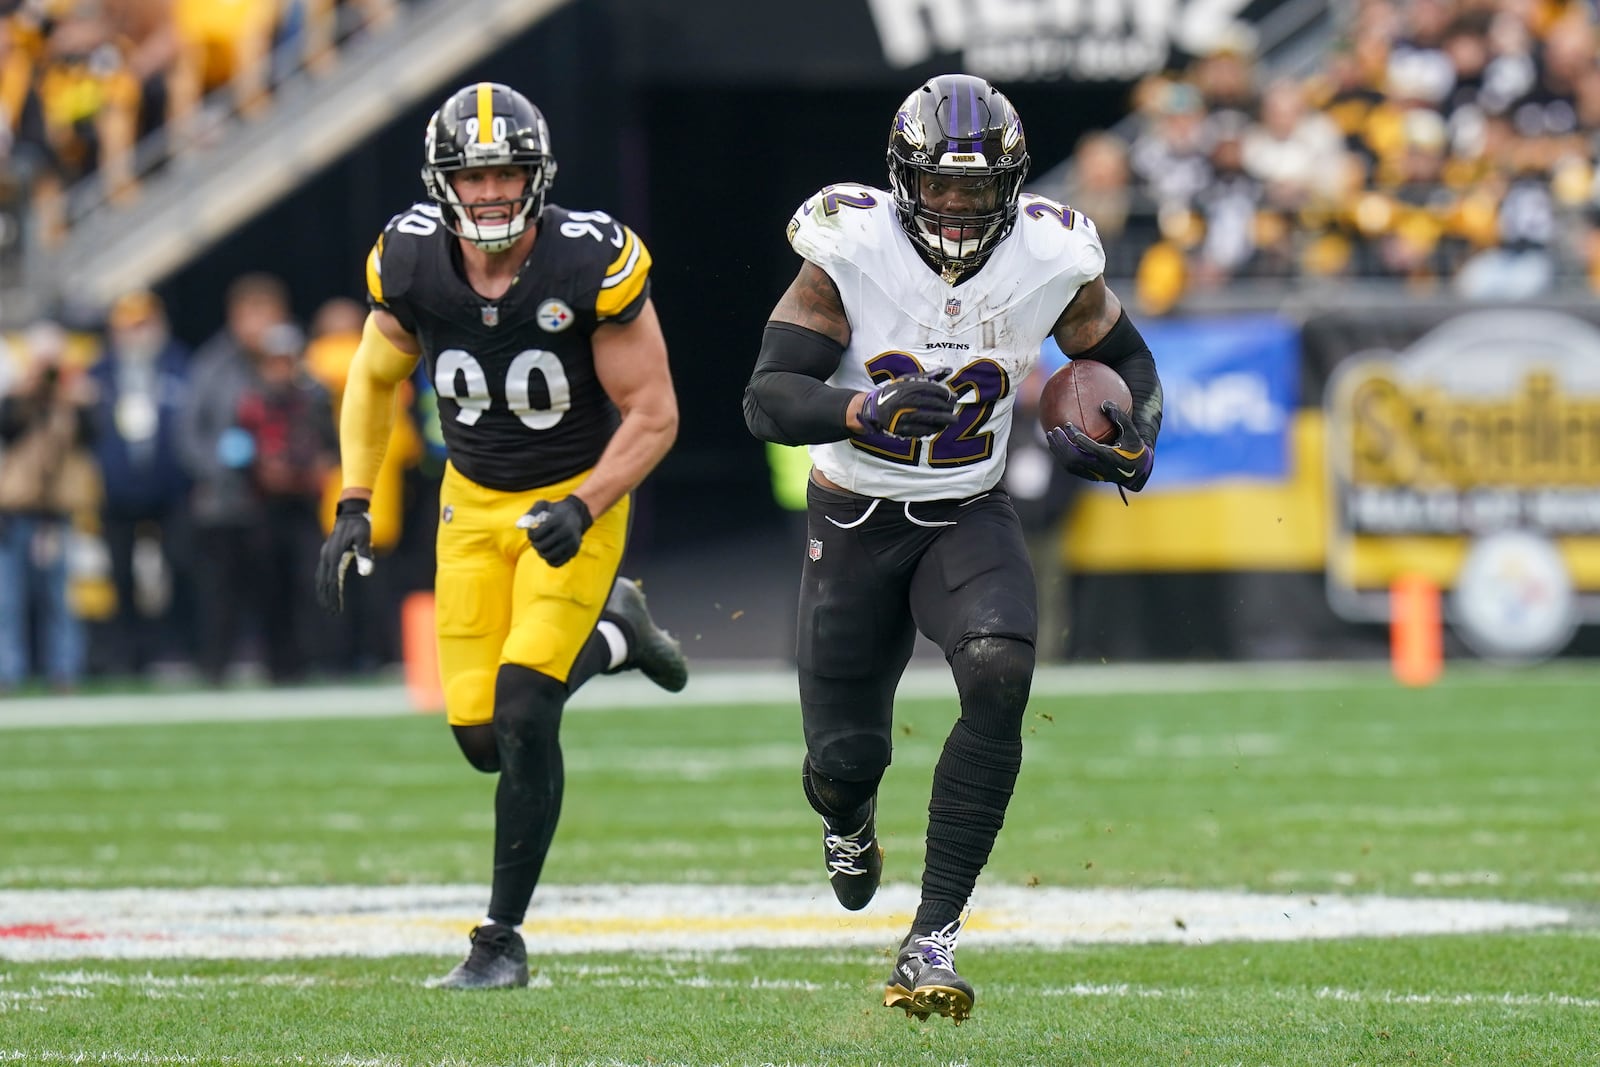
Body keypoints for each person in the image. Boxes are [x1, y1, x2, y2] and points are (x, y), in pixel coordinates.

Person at [742, 73, 1164, 1024]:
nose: (961, 209)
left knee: (1001, 669)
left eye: (979, 191)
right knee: (845, 759)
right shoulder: (849, 247)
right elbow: (767, 395)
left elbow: (1129, 362)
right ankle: (847, 820)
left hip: (967, 511)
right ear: (904, 180)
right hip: (853, 518)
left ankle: (933, 933)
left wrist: (1137, 436)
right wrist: (860, 406)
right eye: (943, 187)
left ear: (1011, 186)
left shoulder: (1054, 254)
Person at [314, 81, 687, 991]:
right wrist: (354, 501)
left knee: (526, 708)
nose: (487, 192)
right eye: (471, 175)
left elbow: (653, 412)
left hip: (573, 498)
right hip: (470, 501)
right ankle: (619, 631)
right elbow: (371, 380)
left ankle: (500, 939)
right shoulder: (408, 259)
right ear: (444, 182)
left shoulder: (586, 260)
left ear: (537, 175)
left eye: (504, 172)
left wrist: (587, 503)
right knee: (480, 734)